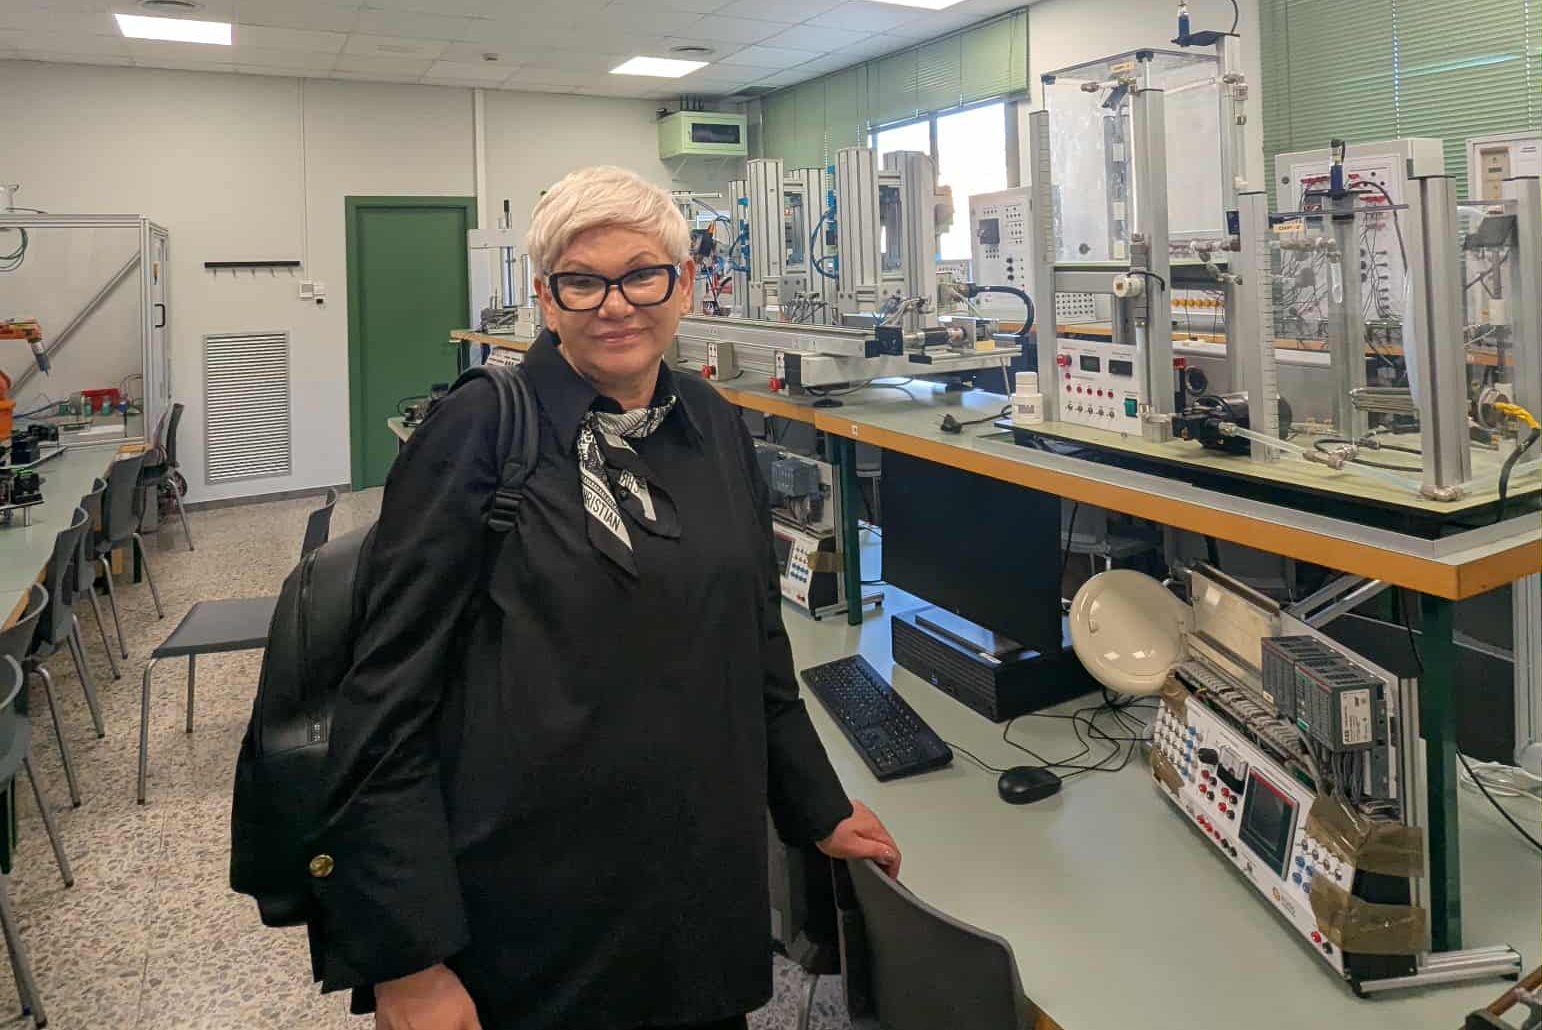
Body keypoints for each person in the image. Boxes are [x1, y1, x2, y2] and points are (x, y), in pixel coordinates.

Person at [309, 165, 901, 1030]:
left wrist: (819, 804)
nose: (615, 305)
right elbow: (383, 698)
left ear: (683, 283)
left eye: (641, 275)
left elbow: (754, 643)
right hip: (531, 914)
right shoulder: (480, 432)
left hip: (696, 897)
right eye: (582, 282)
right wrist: (407, 956)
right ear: (546, 299)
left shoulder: (711, 423)